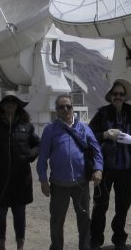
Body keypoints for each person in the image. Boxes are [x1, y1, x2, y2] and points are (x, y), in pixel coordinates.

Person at [37, 93, 103, 250]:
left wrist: (98, 169)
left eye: (68, 106)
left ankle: (85, 247)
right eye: (61, 107)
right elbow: (42, 157)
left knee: (84, 219)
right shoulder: (50, 130)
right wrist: (43, 180)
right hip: (59, 184)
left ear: (73, 108)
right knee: (57, 220)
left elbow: (97, 151)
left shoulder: (84, 128)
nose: (65, 109)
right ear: (57, 110)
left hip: (81, 183)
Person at [88, 79, 131, 250]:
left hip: (126, 169)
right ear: (110, 96)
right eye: (115, 94)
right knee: (100, 205)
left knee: (123, 206)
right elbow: (89, 137)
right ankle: (96, 239)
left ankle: (119, 238)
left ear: (125, 97)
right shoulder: (102, 114)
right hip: (105, 168)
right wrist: (104, 134)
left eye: (121, 94)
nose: (118, 97)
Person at [0, 91, 40, 250]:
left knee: (19, 214)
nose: (10, 104)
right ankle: (1, 246)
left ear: (18, 106)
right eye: (7, 101)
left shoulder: (26, 126)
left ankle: (20, 247)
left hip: (21, 179)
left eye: (13, 101)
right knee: (0, 215)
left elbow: (38, 144)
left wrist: (31, 155)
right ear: (1, 106)